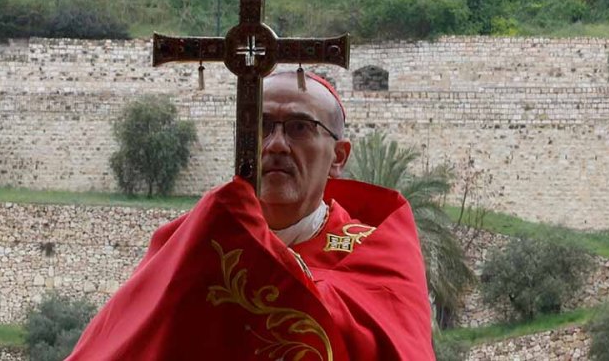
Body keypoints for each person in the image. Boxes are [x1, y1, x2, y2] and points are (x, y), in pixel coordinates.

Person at [69, 70, 434, 360]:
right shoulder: (193, 244)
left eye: (299, 127)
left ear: (338, 156)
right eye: (260, 126)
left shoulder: (379, 253)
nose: (275, 144)